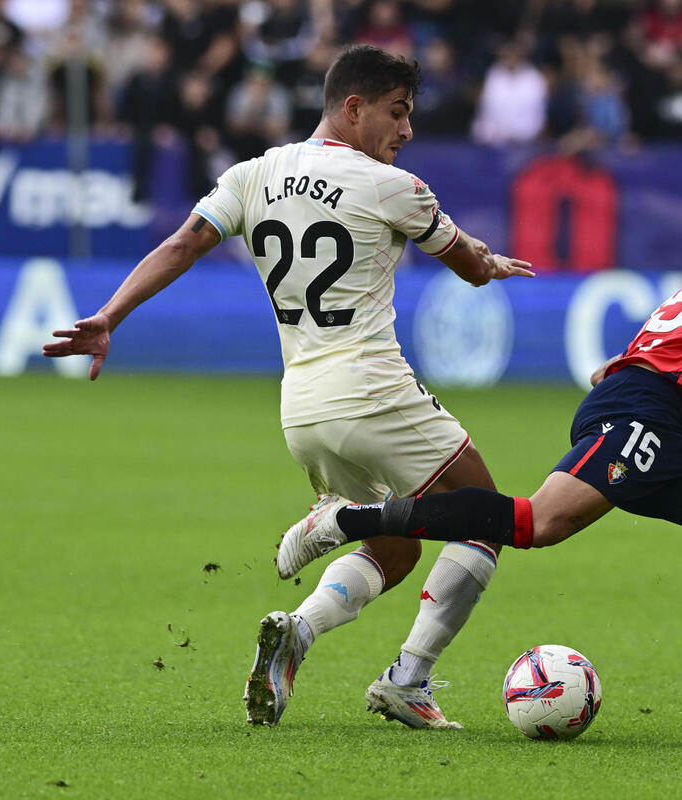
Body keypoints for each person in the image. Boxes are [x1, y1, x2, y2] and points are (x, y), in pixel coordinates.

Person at [42, 44, 534, 728]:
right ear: (353, 107)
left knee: (395, 548)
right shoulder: (393, 185)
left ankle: (295, 634)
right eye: (397, 113)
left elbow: (183, 242)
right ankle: (409, 680)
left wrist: (108, 317)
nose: (407, 130)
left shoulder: (253, 173)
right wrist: (492, 261)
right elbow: (470, 267)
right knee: (487, 519)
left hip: (301, 408)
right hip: (369, 387)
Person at [278, 247, 682, 681]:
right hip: (649, 416)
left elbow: (613, 368)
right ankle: (348, 520)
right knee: (533, 523)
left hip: (655, 423)